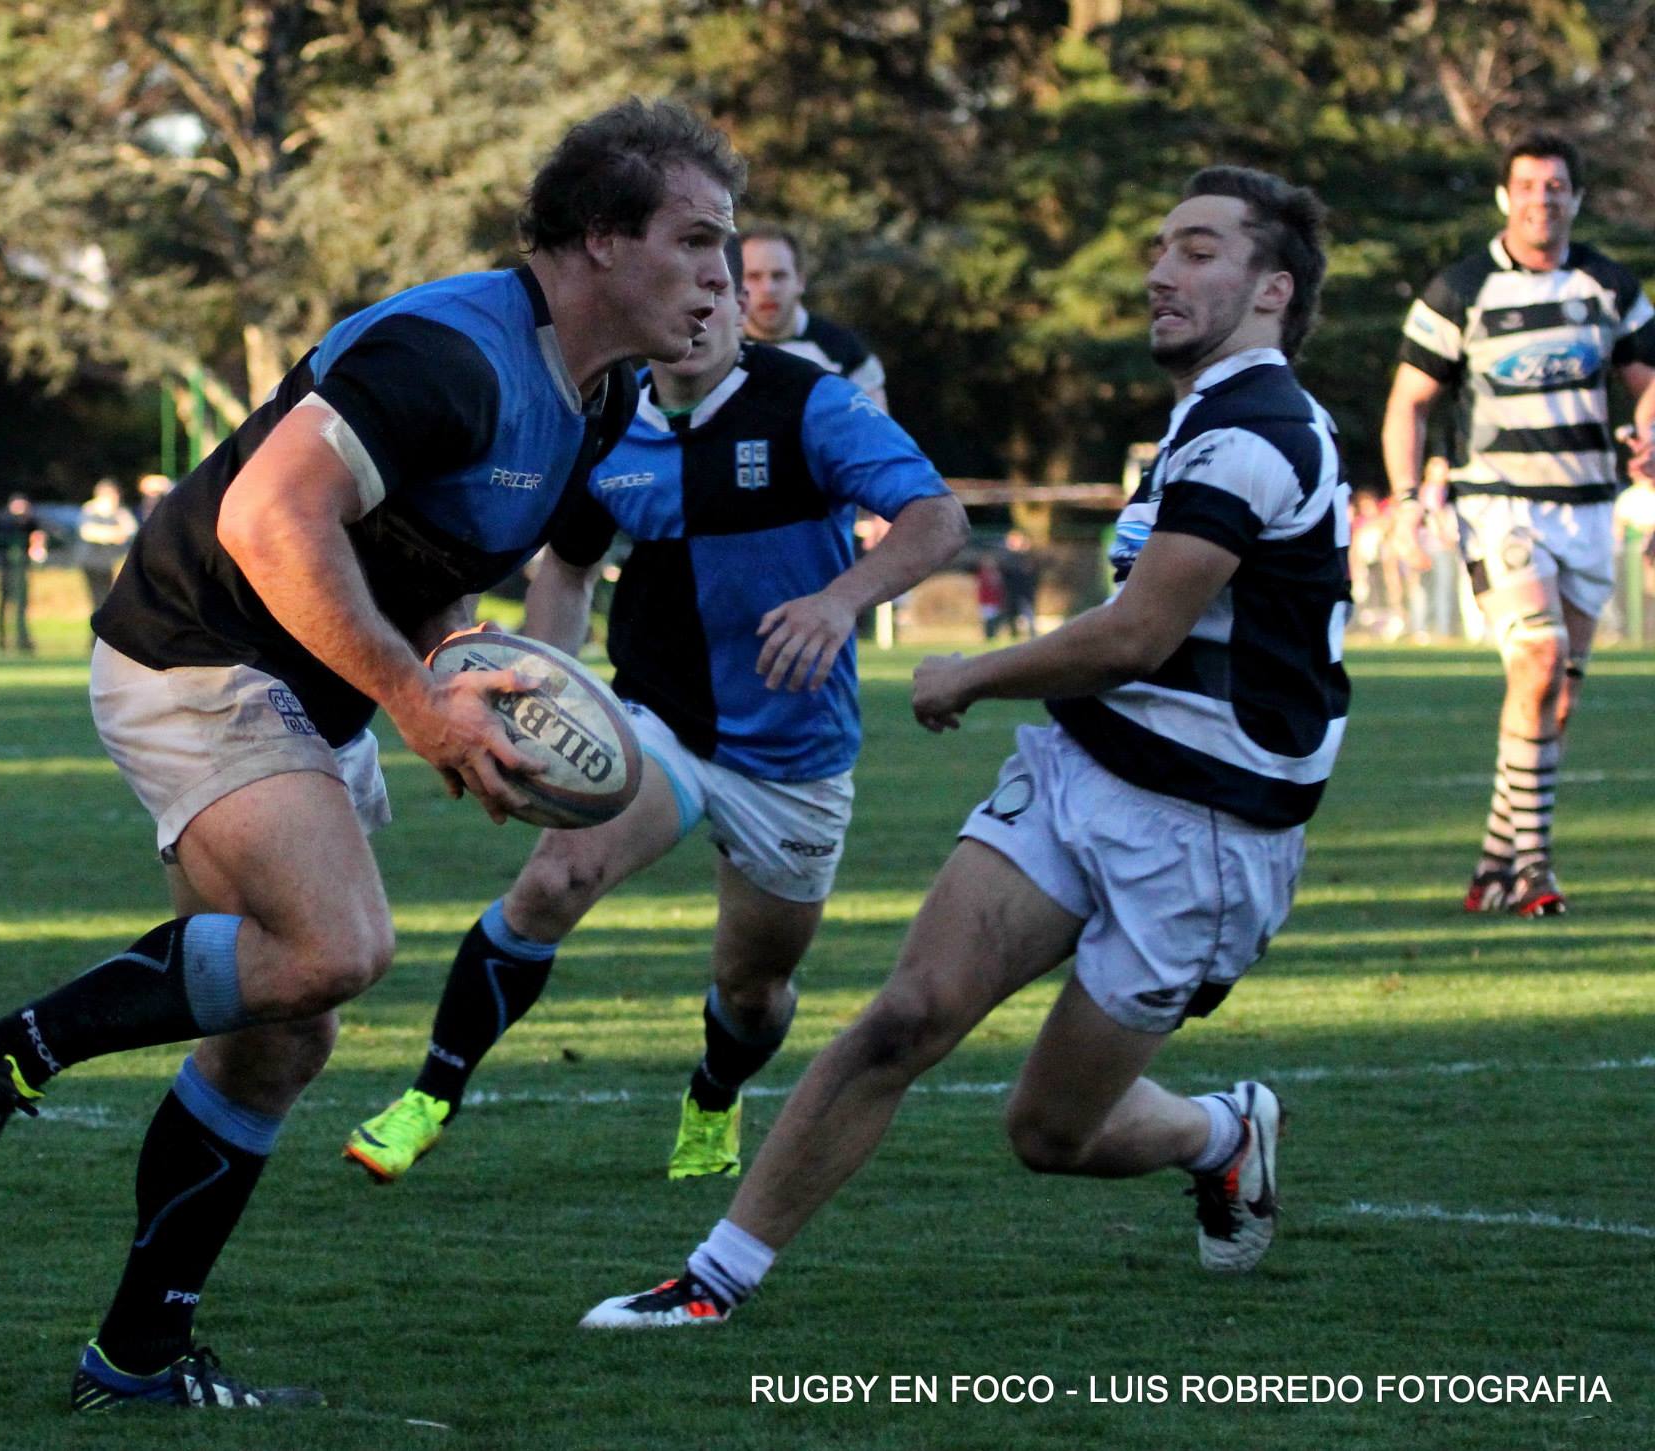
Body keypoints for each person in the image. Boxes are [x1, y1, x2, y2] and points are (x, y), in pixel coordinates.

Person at [0, 99, 743, 1412]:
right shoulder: (448, 352)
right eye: (697, 243)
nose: (723, 280)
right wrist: (418, 701)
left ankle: (134, 1361)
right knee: (336, 944)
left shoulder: (601, 386)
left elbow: (433, 554)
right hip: (199, 645)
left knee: (282, 1028)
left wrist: (472, 681)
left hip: (315, 689)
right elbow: (270, 513)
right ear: (600, 242)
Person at [582, 165, 1349, 1330]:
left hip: (1204, 827)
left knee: (1047, 1132)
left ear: (1270, 288)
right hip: (1080, 771)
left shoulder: (1261, 434)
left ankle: (1222, 1130)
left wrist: (968, 673)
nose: (1157, 270)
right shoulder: (1198, 417)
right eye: (1159, 244)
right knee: (902, 1016)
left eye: (1195, 250)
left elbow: (1136, 633)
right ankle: (711, 1280)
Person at [343, 287, 966, 1183]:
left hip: (792, 752)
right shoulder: (611, 418)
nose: (696, 310)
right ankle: (428, 1097)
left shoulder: (811, 403)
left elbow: (937, 517)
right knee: (555, 879)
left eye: (717, 290)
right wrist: (527, 697)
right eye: (681, 290)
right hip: (656, 722)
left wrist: (840, 602)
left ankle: (714, 1094)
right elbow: (569, 566)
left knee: (754, 990)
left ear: (742, 308)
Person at [1383, 132, 1655, 917]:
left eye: (1557, 186)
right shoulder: (1460, 288)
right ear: (1507, 198)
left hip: (1590, 507)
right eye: (1529, 186)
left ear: (1576, 197)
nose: (1543, 198)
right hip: (1499, 502)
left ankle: (1492, 865)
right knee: (1537, 660)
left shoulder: (1608, 283)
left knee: (1557, 700)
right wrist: (1406, 500)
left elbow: (1649, 381)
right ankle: (1534, 867)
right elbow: (1409, 402)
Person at [737, 227, 888, 409]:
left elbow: (876, 430)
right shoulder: (717, 350)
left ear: (800, 281)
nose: (768, 289)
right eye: (754, 277)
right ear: (736, 283)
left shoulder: (844, 352)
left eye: (779, 276)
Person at [0, 491, 43, 653]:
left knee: (21, 605)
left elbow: (39, 535)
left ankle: (22, 639)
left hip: (21, 569)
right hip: (6, 568)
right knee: (4, 604)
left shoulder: (31, 522)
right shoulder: (4, 521)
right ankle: (1, 640)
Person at [77, 476, 138, 616]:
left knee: (109, 601)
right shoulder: (90, 509)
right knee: (99, 601)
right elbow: (87, 531)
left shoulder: (120, 512)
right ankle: (96, 636)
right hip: (92, 563)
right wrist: (113, 534)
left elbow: (131, 530)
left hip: (111, 562)